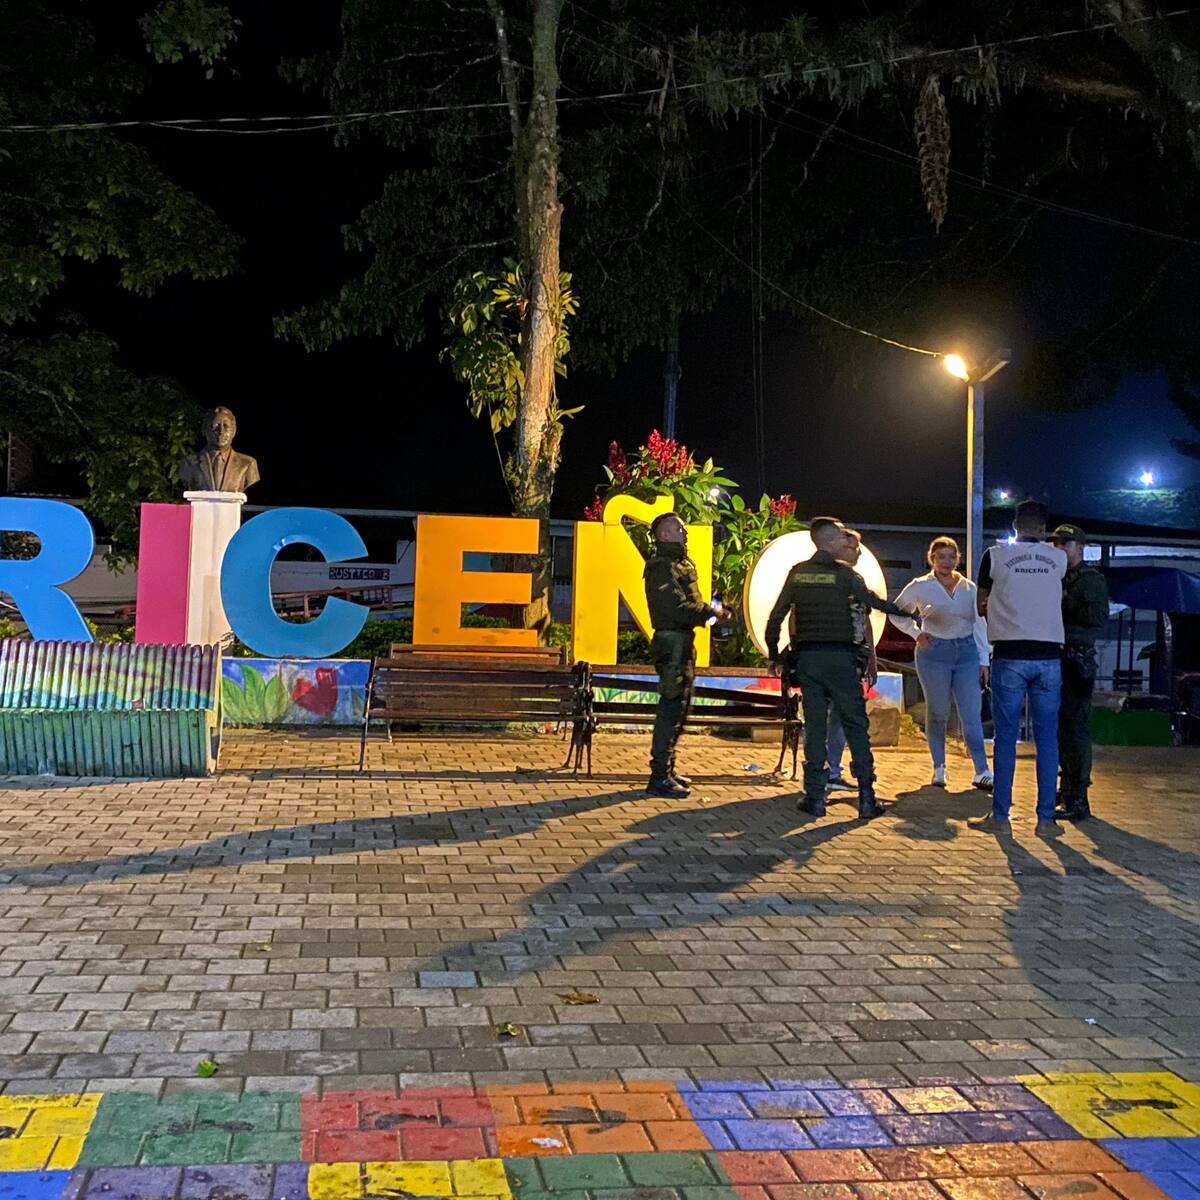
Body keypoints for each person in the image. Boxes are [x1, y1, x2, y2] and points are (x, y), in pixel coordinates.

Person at [766, 516, 917, 820]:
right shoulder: (847, 576)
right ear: (827, 541)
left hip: (809, 660)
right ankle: (866, 797)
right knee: (855, 726)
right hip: (843, 661)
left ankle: (814, 797)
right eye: (839, 538)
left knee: (816, 726)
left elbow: (776, 618)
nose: (844, 543)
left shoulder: (798, 574)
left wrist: (774, 655)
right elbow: (873, 603)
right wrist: (908, 613)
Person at [972, 500, 1067, 836]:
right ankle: (1045, 819)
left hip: (1009, 654)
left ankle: (1000, 817)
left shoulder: (994, 556)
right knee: (1047, 740)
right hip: (1049, 656)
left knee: (1005, 738)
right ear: (1044, 527)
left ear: (1015, 525)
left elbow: (980, 604)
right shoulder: (1058, 558)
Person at [890, 536, 993, 791]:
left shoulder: (969, 588)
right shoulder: (920, 586)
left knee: (971, 712)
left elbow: (978, 623)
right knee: (938, 711)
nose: (947, 561)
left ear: (958, 558)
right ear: (932, 559)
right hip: (934, 652)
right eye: (941, 557)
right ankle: (939, 766)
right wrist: (916, 633)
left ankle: (982, 769)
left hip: (966, 650)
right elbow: (896, 611)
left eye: (952, 556)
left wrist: (984, 659)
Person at [643, 512, 727, 798]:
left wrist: (710, 610)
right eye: (677, 528)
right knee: (670, 708)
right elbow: (675, 609)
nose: (684, 532)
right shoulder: (660, 567)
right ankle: (659, 776)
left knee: (680, 708)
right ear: (663, 535)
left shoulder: (680, 564)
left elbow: (691, 603)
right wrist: (710, 612)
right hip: (671, 642)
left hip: (682, 641)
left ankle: (667, 769)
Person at [1050, 524, 1110, 822]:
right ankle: (1066, 788)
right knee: (1060, 729)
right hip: (1055, 657)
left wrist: (1065, 599)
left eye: (1065, 543)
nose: (1059, 548)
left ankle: (1078, 796)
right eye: (1057, 543)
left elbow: (1098, 618)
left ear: (1079, 547)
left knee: (1076, 729)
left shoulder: (1090, 579)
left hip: (1078, 660)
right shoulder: (1052, 576)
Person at [822, 529, 877, 795]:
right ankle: (820, 772)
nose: (859, 553)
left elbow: (864, 620)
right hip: (825, 656)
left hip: (851, 658)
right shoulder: (820, 576)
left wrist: (872, 658)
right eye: (854, 548)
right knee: (823, 715)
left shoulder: (856, 580)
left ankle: (832, 770)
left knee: (842, 718)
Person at [178, 406, 261, 494]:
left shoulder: (248, 464)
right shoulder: (189, 463)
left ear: (234, 431)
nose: (221, 431)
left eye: (226, 426)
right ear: (205, 430)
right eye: (215, 426)